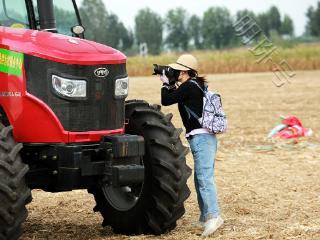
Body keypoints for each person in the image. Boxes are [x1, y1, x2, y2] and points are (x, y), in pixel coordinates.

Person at [159, 54, 223, 237]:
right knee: (200, 177)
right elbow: (176, 95)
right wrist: (171, 83)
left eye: (177, 70)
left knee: (204, 178)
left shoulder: (189, 86)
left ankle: (214, 217)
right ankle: (205, 217)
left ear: (185, 71)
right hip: (203, 138)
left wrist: (166, 83)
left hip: (202, 138)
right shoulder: (195, 85)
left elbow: (166, 99)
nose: (174, 72)